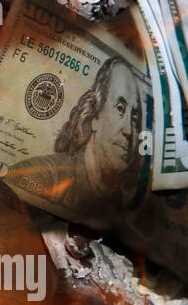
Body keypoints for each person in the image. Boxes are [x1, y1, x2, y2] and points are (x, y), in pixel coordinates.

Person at [11, 57, 146, 220]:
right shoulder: (39, 176)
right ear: (95, 116)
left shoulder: (118, 212)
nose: (129, 130)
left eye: (134, 118)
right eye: (120, 108)